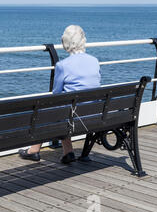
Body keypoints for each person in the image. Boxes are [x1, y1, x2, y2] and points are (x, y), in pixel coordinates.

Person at [19, 25, 101, 164]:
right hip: (95, 114)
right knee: (66, 108)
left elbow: (56, 94)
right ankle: (67, 152)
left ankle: (34, 150)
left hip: (74, 117)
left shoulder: (63, 65)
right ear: (83, 40)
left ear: (65, 42)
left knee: (49, 109)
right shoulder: (94, 61)